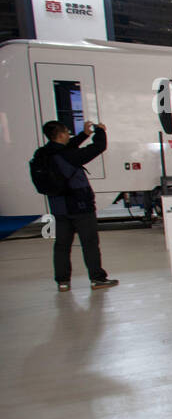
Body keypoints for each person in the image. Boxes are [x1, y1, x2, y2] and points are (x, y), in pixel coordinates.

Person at [37, 120, 118, 292]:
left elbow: (65, 148)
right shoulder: (69, 156)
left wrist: (84, 135)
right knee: (89, 243)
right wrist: (100, 131)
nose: (68, 135)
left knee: (61, 246)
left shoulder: (42, 154)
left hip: (59, 207)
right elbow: (98, 147)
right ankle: (97, 278)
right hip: (80, 206)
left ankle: (63, 282)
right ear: (60, 134)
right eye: (67, 132)